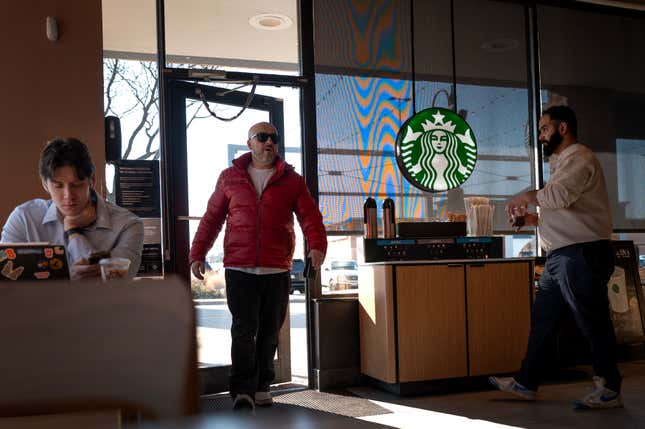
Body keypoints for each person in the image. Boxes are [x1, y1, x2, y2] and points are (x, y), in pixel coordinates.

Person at [489, 105, 621, 409]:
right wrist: (534, 221)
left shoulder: (580, 158)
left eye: (544, 129)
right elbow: (567, 208)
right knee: (544, 322)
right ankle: (526, 382)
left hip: (582, 253)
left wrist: (528, 196)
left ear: (562, 128)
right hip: (561, 256)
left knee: (593, 322)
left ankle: (609, 388)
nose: (540, 136)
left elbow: (558, 197)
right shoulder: (563, 163)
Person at [189, 122, 327, 410]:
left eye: (273, 138)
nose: (269, 143)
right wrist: (198, 252)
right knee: (243, 329)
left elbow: (310, 217)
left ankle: (263, 384)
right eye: (262, 137)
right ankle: (242, 389)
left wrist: (317, 245)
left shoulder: (292, 180)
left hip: (276, 268)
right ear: (249, 143)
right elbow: (212, 218)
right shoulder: (230, 178)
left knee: (269, 331)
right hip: (239, 268)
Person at [1, 138, 144, 280]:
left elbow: (117, 285)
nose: (68, 196)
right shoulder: (24, 218)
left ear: (92, 181)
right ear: (45, 185)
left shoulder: (128, 225)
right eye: (58, 186)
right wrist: (68, 279)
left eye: (76, 185)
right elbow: (6, 283)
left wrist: (72, 229)